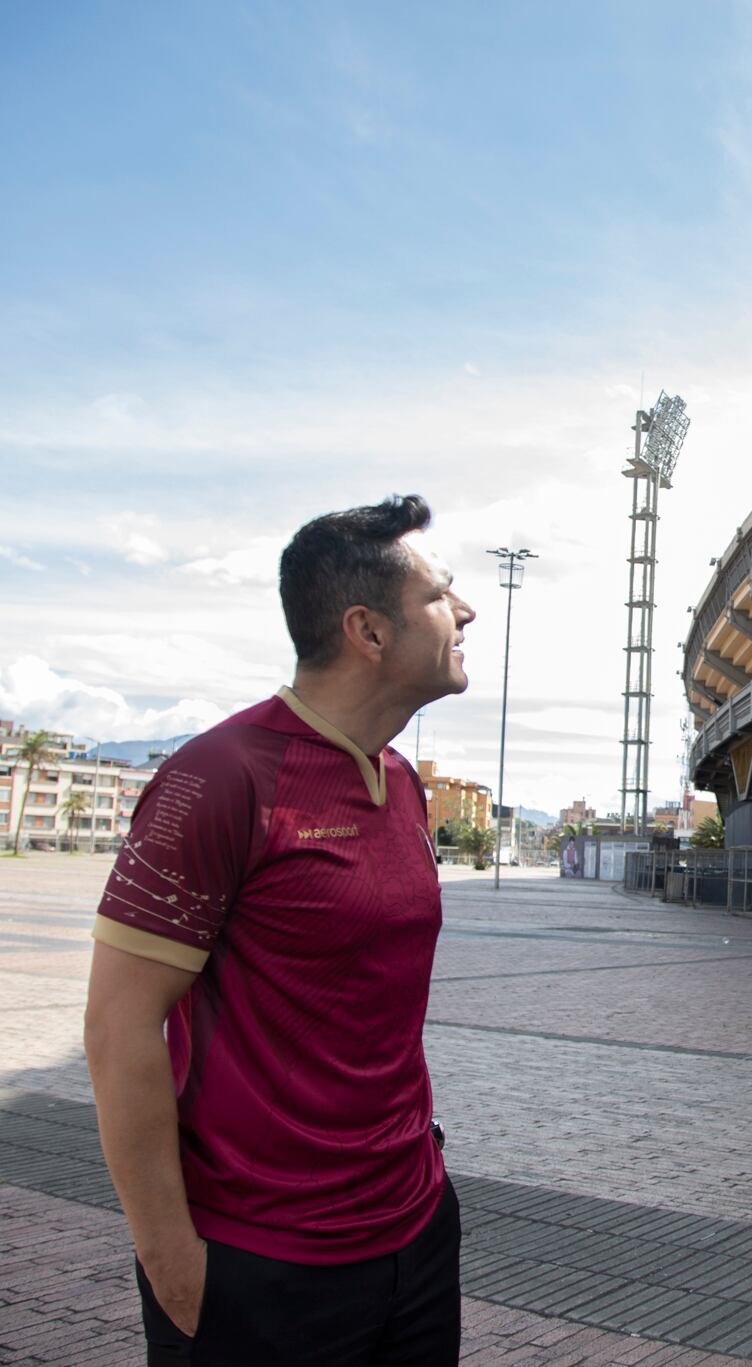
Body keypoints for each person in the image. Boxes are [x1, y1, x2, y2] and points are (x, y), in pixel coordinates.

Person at [84, 494, 475, 1365]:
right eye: (444, 595)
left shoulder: (402, 782)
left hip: (413, 1234)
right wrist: (172, 1262)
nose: (468, 611)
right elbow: (118, 1028)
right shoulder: (219, 778)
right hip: (263, 1267)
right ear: (368, 631)